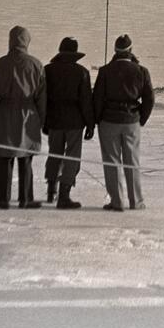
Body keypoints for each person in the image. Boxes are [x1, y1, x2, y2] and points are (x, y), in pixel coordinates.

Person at [0, 25, 47, 210]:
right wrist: (41, 119)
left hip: (4, 112)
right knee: (25, 157)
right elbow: (41, 96)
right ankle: (25, 198)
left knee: (5, 156)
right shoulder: (36, 64)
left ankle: (2, 198)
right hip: (28, 114)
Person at [93, 33, 154, 211]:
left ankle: (116, 201)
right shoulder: (141, 71)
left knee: (111, 161)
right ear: (131, 50)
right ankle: (136, 201)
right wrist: (141, 118)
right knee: (132, 161)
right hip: (131, 120)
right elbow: (149, 99)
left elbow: (97, 98)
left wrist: (97, 120)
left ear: (115, 50)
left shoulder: (105, 71)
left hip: (109, 121)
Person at [44, 37, 94, 209]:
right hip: (74, 120)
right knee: (72, 156)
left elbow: (43, 99)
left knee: (54, 153)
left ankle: (51, 189)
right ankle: (64, 195)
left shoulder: (47, 70)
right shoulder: (81, 72)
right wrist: (90, 124)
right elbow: (86, 101)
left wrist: (44, 121)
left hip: (54, 119)